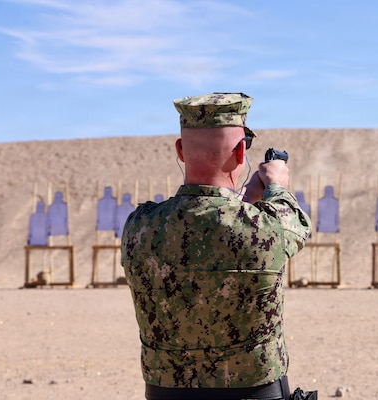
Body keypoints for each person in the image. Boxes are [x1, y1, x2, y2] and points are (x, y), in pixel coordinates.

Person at [121, 92, 312, 400]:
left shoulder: (138, 227)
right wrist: (276, 183)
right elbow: (295, 222)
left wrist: (245, 204)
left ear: (181, 151)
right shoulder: (267, 226)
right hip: (255, 391)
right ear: (241, 152)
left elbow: (203, 229)